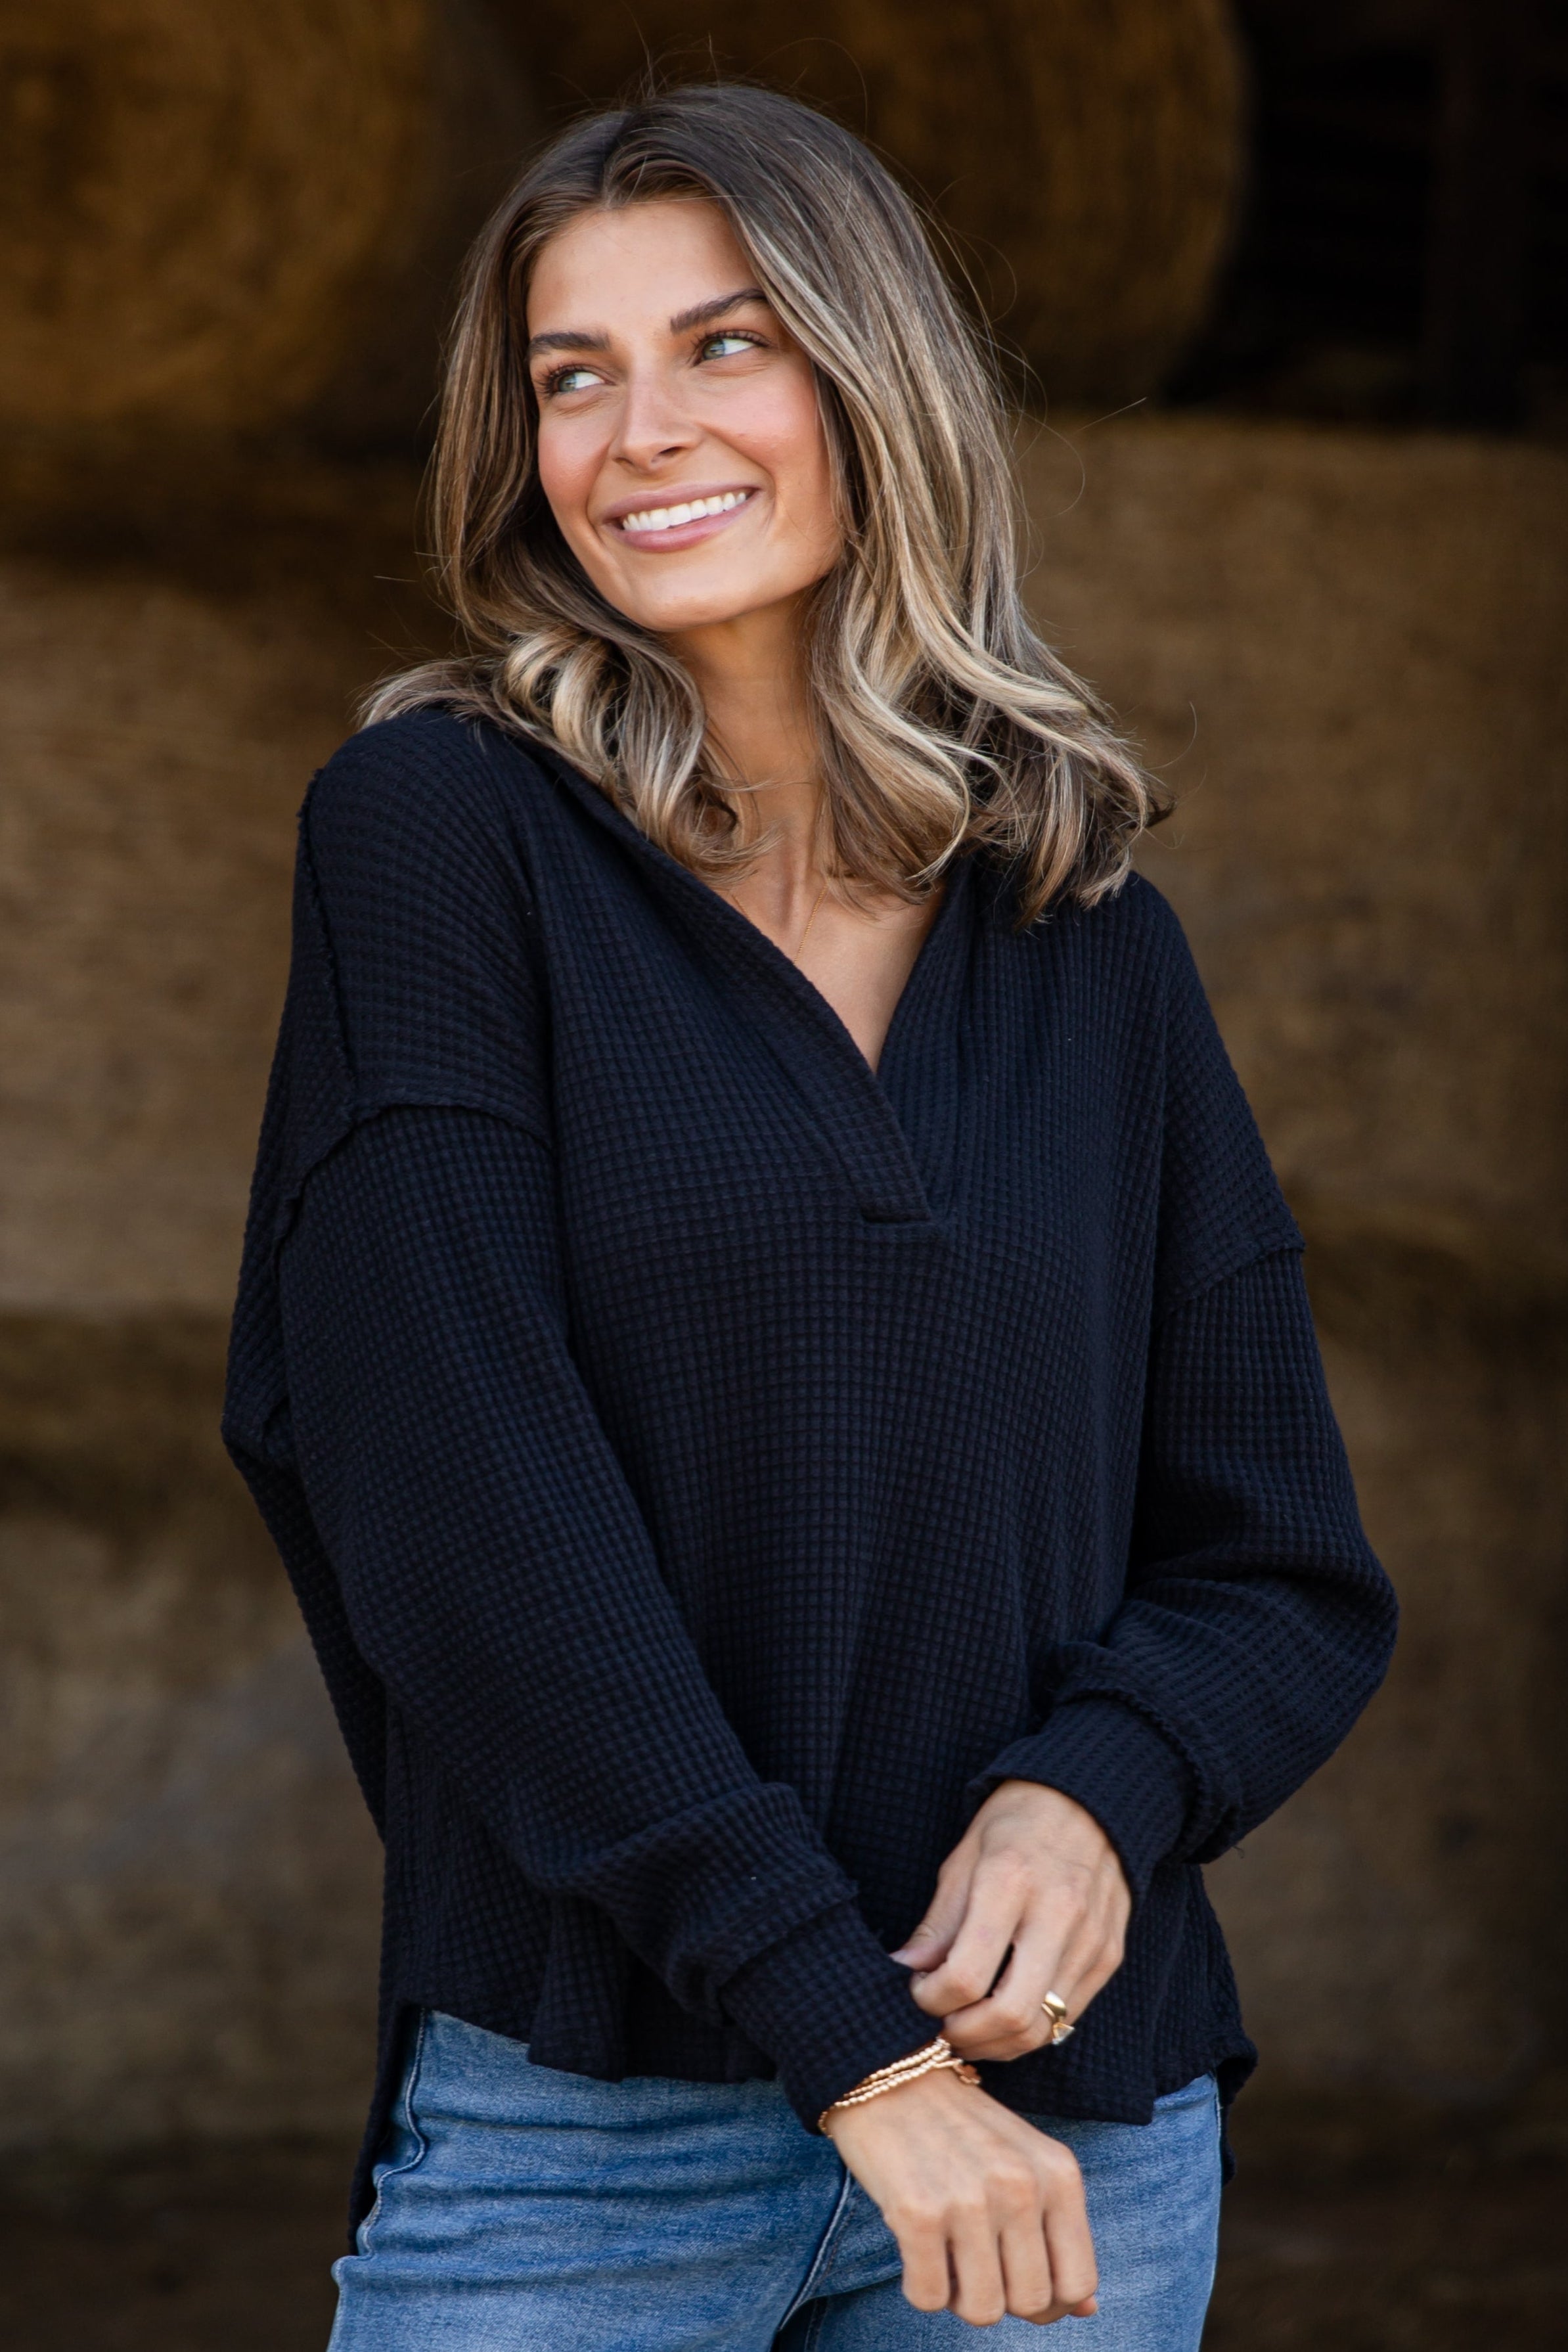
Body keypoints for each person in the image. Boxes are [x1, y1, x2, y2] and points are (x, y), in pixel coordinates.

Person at [224, 81, 1397, 2350]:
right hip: (601, 2146)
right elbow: (457, 1493)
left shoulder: (1086, 936)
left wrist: (1100, 1785)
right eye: (575, 375)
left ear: (877, 382)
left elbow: (1274, 1552)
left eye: (725, 344)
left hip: (1070, 2140)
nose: (638, 430)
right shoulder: (439, 838)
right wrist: (837, 2025)